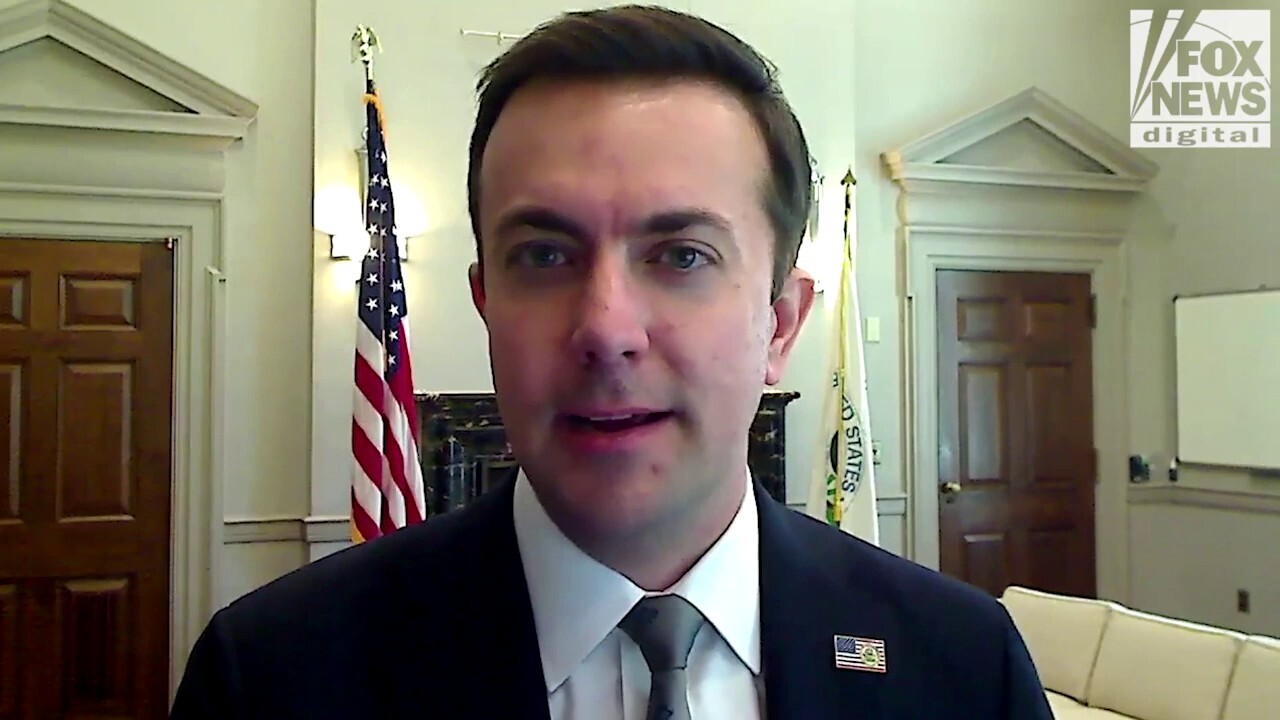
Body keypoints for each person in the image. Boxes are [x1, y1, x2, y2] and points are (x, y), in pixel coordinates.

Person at [170, 5, 1052, 718]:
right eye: (545, 255)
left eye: (682, 256)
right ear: (486, 303)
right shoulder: (272, 677)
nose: (606, 329)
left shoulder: (964, 667)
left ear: (781, 324)